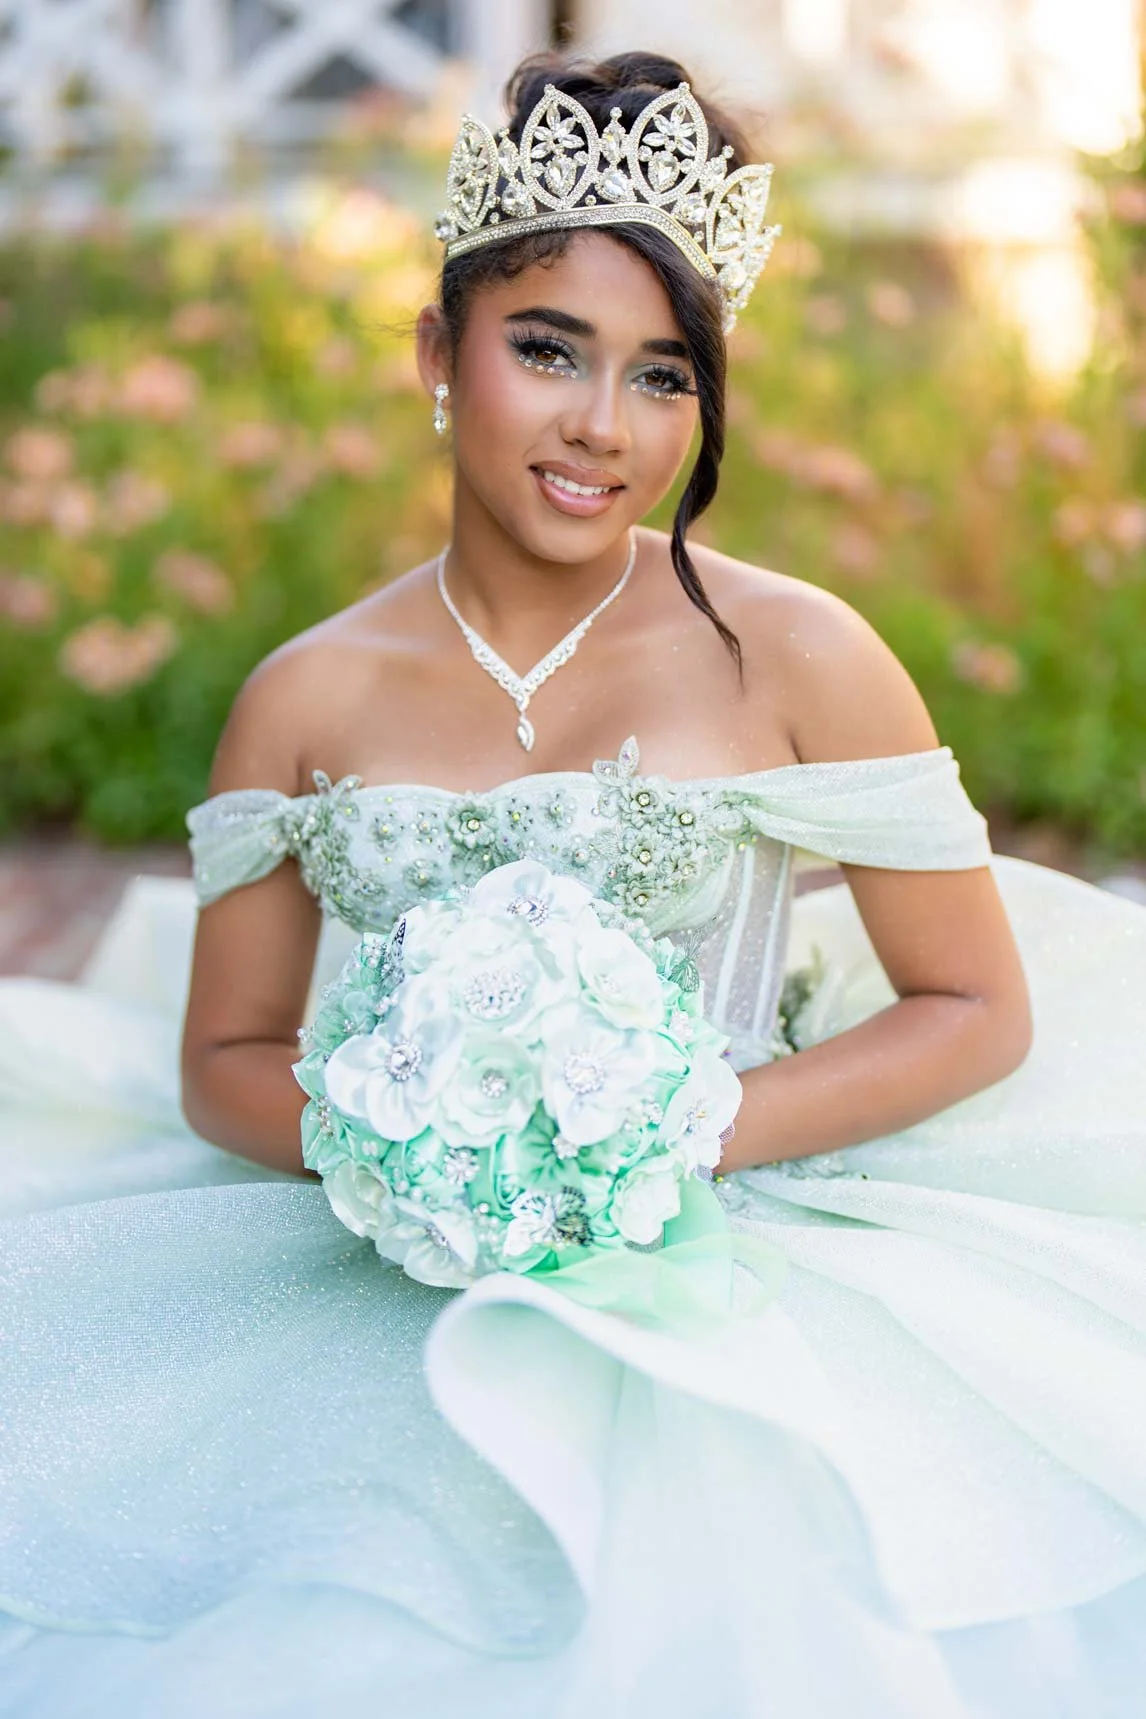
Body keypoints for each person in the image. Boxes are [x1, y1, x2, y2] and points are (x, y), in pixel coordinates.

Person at [1, 49, 1144, 1719]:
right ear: (437, 353)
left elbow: (973, 1006)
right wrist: (408, 1151)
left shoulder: (797, 653)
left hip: (742, 1243)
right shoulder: (303, 696)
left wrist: (667, 1133)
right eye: (548, 350)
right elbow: (224, 1058)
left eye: (664, 376)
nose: (603, 429)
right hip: (405, 1254)